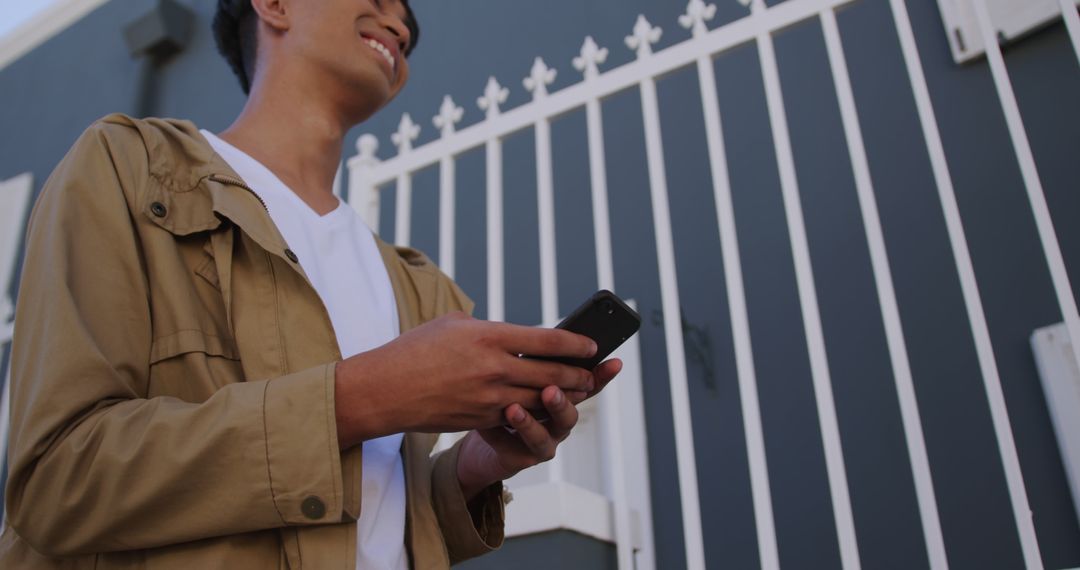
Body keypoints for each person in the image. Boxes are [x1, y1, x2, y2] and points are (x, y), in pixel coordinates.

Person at [0, 0, 622, 567]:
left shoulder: (418, 288)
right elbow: (57, 479)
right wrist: (366, 396)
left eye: (409, 24)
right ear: (272, 5)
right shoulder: (127, 170)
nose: (401, 25)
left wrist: (473, 471)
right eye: (378, 1)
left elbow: (376, 522)